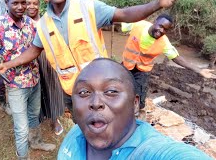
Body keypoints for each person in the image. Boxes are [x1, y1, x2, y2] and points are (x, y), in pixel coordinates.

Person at [0, 0, 180, 121]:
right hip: (74, 93)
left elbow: (125, 14)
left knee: (109, 126)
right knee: (85, 129)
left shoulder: (88, 8)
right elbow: (33, 51)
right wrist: (6, 64)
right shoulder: (42, 24)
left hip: (102, 89)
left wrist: (157, 4)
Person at [58, 58, 212, 159]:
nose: (96, 102)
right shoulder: (75, 135)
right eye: (84, 92)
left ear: (135, 104)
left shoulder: (153, 151)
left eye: (111, 91)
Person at [0, 0, 55, 159]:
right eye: (15, 3)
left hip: (34, 80)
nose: (21, 7)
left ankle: (36, 142)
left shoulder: (31, 24)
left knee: (34, 115)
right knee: (21, 128)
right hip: (15, 86)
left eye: (23, 3)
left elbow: (39, 48)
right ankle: (23, 157)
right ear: (6, 3)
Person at [121, 14, 216, 109]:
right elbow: (119, 21)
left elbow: (177, 58)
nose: (161, 31)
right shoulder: (138, 25)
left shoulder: (164, 42)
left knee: (138, 104)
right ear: (155, 21)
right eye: (160, 26)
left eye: (165, 29)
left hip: (142, 72)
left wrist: (199, 70)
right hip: (125, 66)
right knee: (118, 93)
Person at [25, 0, 64, 135]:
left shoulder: (47, 20)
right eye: (28, 3)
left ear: (39, 5)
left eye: (35, 3)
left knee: (52, 88)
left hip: (47, 60)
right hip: (30, 61)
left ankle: (54, 119)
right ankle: (39, 116)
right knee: (36, 90)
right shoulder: (22, 24)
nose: (31, 6)